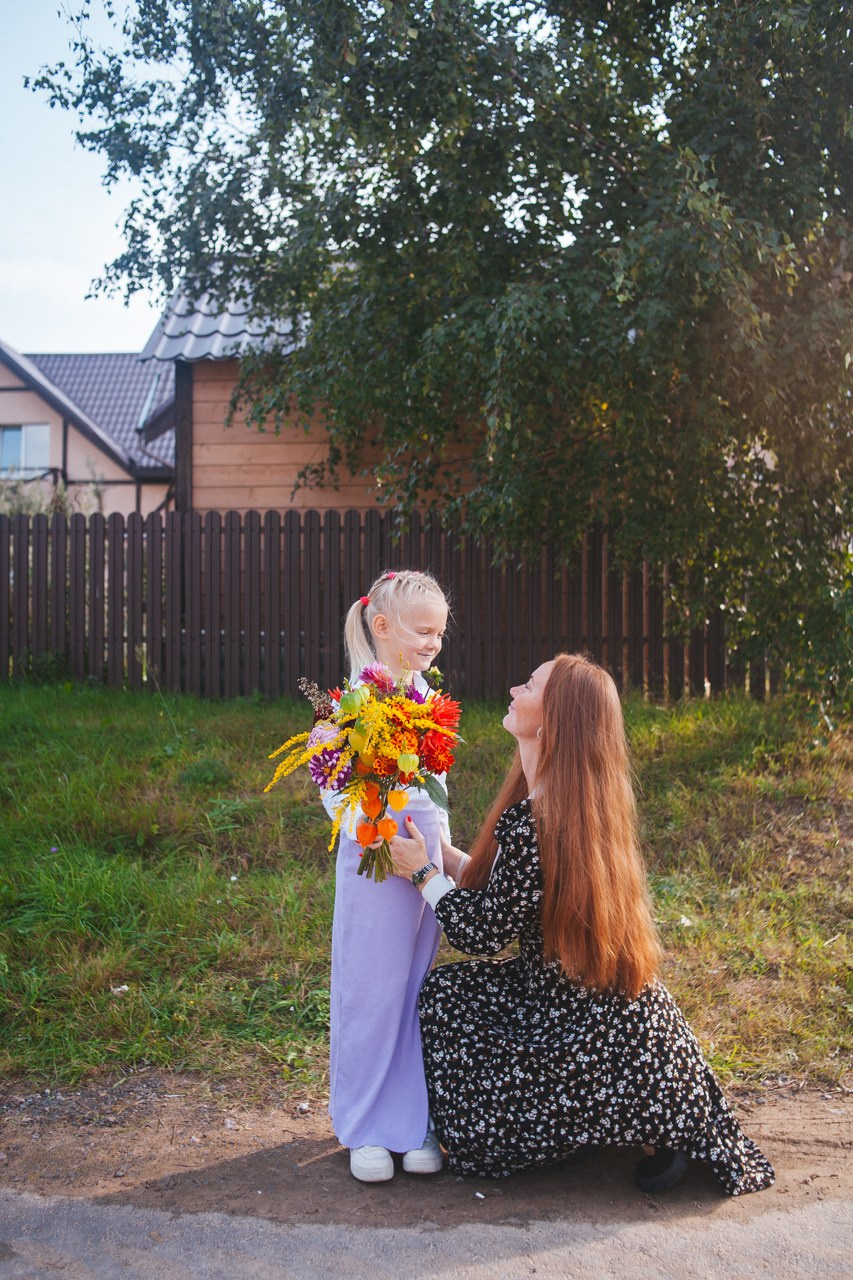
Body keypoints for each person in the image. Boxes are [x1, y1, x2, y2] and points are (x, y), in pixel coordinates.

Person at [389, 653, 775, 1196]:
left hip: (573, 1021)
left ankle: (573, 1126)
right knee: (453, 994)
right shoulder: (561, 803)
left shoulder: (539, 821)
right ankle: (618, 1121)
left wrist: (422, 871)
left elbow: (480, 933)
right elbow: (505, 893)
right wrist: (445, 856)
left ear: (554, 721)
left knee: (448, 999)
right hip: (579, 1000)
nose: (513, 687)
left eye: (528, 685)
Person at [324, 569, 451, 1183]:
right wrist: (367, 824)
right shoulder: (356, 699)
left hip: (419, 861)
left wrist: (438, 849)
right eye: (423, 631)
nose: (433, 643)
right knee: (371, 993)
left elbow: (438, 784)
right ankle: (366, 1126)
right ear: (382, 626)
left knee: (414, 993)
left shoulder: (426, 697)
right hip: (374, 860)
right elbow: (331, 782)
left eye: (439, 634)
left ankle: (412, 1119)